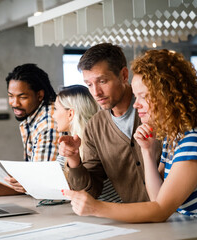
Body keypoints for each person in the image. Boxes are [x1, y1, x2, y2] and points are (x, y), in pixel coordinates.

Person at [63, 49, 197, 222]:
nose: (136, 105)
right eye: (136, 97)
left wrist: (96, 208)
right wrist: (148, 152)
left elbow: (160, 209)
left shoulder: (194, 140)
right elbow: (157, 197)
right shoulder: (173, 137)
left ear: (168, 96)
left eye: (143, 97)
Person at [59, 43, 161, 203]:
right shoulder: (95, 127)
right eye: (89, 84)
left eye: (102, 81)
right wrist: (73, 158)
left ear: (124, 75)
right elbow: (90, 191)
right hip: (136, 220)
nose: (96, 92)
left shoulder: (154, 110)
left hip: (181, 217)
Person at [0, 63, 61, 198]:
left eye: (22, 97)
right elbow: (32, 177)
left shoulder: (48, 124)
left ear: (39, 95)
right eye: (11, 96)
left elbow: (40, 183)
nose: (14, 103)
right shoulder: (35, 117)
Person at [54, 85, 121, 203]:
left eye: (55, 109)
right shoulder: (69, 143)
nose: (53, 115)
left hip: (111, 213)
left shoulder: (93, 145)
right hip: (93, 212)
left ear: (70, 114)